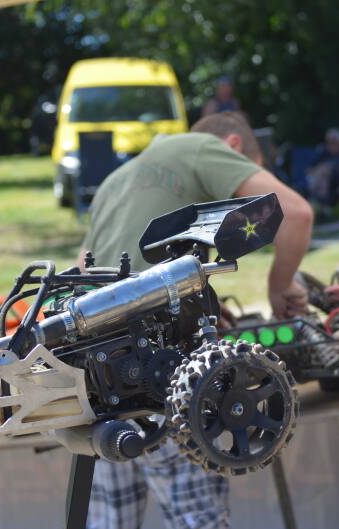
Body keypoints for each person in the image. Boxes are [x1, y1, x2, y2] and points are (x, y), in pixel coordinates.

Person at [79, 111, 314, 529]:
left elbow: (86, 267)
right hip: (160, 376)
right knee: (197, 519)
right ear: (235, 148)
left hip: (95, 384)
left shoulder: (114, 181)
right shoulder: (202, 147)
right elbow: (295, 214)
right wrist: (280, 287)